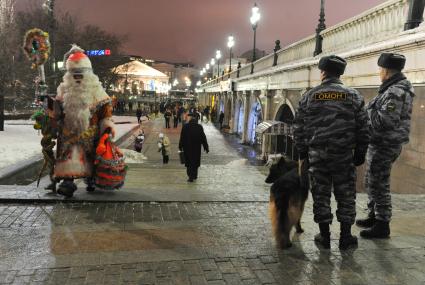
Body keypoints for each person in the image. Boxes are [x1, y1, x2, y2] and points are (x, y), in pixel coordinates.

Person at [293, 55, 369, 250]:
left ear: (323, 72)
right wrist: (360, 152)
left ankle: (324, 237)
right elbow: (364, 127)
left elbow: (298, 128)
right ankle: (345, 237)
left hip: (317, 157)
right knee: (346, 195)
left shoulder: (309, 96)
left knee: (321, 194)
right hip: (344, 157)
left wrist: (302, 154)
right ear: (340, 73)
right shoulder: (353, 96)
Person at [356, 53, 414, 239]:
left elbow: (386, 121)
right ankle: (374, 215)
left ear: (387, 70)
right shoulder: (391, 89)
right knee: (372, 179)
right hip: (380, 142)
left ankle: (382, 224)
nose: (379, 72)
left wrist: (368, 110)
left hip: (385, 143)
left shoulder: (395, 91)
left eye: (380, 69)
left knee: (379, 183)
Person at [53, 45, 115, 198]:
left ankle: (91, 179)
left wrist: (106, 127)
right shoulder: (63, 90)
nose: (77, 77)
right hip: (68, 133)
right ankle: (68, 182)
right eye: (74, 74)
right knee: (69, 155)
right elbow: (57, 110)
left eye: (80, 74)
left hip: (90, 133)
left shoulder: (97, 91)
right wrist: (52, 117)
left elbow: (105, 111)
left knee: (91, 157)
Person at [179, 113, 209, 182]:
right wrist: (206, 147)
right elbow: (203, 138)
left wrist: (180, 146)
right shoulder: (199, 127)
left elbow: (182, 138)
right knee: (195, 162)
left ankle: (190, 176)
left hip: (187, 148)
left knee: (189, 162)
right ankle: (194, 175)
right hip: (196, 149)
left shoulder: (185, 127)